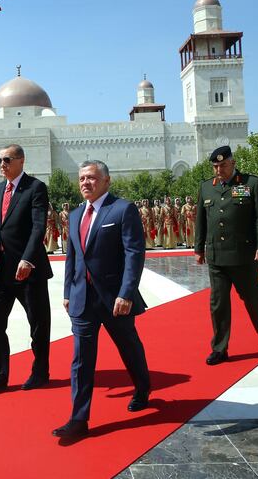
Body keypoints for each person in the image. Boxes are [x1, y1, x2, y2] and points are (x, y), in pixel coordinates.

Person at [53, 160, 151, 440]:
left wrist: (126, 293)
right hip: (83, 300)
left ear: (106, 181)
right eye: (82, 178)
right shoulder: (74, 216)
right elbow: (72, 258)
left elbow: (134, 253)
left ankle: (143, 387)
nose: (86, 183)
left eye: (92, 178)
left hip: (115, 299)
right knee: (81, 360)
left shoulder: (122, 209)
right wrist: (67, 293)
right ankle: (78, 419)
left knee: (129, 347)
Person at [0, 144, 53, 395]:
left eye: (7, 159)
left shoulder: (35, 188)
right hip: (0, 271)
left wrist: (28, 259)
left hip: (27, 270)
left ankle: (40, 372)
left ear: (21, 160)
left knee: (38, 324)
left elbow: (38, 226)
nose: (2, 164)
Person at [195, 145, 258, 366]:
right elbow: (200, 220)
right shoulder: (206, 188)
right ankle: (220, 348)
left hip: (243, 257)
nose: (218, 170)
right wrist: (199, 249)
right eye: (215, 166)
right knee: (218, 303)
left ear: (233, 163)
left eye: (222, 165)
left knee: (252, 298)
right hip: (217, 257)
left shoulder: (250, 184)